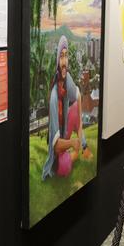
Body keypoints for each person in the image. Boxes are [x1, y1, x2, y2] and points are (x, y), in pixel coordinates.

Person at [42, 35, 92, 180]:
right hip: (59, 147)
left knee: (75, 107)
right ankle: (74, 154)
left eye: (66, 56)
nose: (64, 61)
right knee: (63, 167)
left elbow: (78, 96)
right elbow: (56, 146)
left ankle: (84, 148)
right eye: (61, 57)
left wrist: (82, 139)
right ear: (57, 60)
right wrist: (72, 143)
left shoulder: (67, 78)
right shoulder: (53, 97)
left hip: (66, 133)